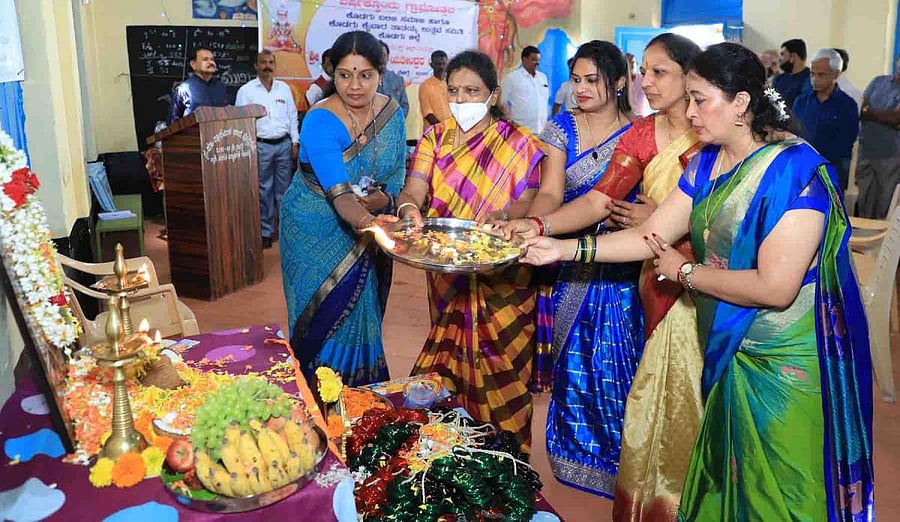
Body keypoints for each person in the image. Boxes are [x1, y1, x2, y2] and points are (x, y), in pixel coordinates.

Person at [521, 42, 875, 522]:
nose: (689, 112)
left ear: (742, 104)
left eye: (700, 99)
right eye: (686, 99)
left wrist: (684, 272)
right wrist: (563, 248)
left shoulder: (796, 171)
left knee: (783, 491)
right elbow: (652, 235)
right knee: (728, 481)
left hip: (788, 360)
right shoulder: (710, 161)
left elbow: (776, 288)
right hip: (728, 344)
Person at [505, 32, 705, 513]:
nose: (647, 82)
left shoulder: (713, 134)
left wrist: (659, 218)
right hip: (639, 266)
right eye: (646, 72)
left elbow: (729, 216)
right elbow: (598, 199)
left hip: (704, 279)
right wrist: (540, 226)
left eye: (658, 72)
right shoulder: (640, 135)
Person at [397, 50, 545, 450]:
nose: (461, 100)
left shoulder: (520, 143)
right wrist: (409, 206)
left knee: (503, 362)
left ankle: (507, 455)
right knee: (449, 352)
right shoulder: (434, 137)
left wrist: (505, 212)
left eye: (472, 91)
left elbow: (530, 200)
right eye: (454, 92)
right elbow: (416, 185)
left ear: (493, 94)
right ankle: (452, 451)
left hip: (504, 269)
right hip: (446, 266)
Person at [526, 40, 640, 498]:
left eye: (592, 79)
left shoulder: (637, 134)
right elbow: (552, 192)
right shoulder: (562, 128)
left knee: (617, 356)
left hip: (619, 262)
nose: (582, 88)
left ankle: (618, 457)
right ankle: (575, 453)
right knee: (573, 354)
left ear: (616, 82)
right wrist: (537, 224)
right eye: (576, 79)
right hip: (567, 253)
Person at [280, 31, 407, 386]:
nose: (354, 85)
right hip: (313, 226)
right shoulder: (320, 120)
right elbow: (339, 196)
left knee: (362, 306)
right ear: (331, 73)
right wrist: (374, 223)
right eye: (344, 75)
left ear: (381, 74)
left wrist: (388, 202)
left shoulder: (391, 114)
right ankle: (319, 398)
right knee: (322, 313)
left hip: (367, 225)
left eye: (365, 75)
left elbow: (396, 175)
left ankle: (360, 398)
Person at [236, 50, 300, 249]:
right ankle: (266, 232)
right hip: (260, 146)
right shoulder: (246, 91)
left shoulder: (284, 89)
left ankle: (284, 231)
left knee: (284, 191)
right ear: (256, 66)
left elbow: (292, 116)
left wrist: (295, 142)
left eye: (270, 62)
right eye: (263, 62)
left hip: (283, 145)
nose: (267, 66)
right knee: (264, 190)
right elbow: (240, 121)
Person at [792, 48, 859, 192]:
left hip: (832, 171)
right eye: (812, 74)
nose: (814, 79)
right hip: (803, 171)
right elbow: (794, 133)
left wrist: (817, 160)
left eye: (821, 75)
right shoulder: (801, 102)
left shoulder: (847, 105)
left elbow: (846, 140)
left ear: (836, 74)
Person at [856, 53, 900, 219]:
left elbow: (896, 118)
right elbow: (860, 108)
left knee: (886, 204)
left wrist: (870, 112)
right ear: (897, 61)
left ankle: (880, 243)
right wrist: (887, 117)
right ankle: (862, 242)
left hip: (891, 156)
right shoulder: (878, 81)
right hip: (867, 149)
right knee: (864, 201)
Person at [167, 47, 227, 124]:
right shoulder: (184, 90)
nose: (211, 62)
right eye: (205, 59)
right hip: (192, 134)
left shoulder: (221, 87)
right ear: (193, 64)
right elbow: (172, 124)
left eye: (212, 59)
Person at [501, 46, 550, 134]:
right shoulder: (512, 78)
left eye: (538, 60)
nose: (537, 63)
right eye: (533, 59)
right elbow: (501, 102)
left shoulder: (543, 77)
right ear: (524, 59)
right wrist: (508, 118)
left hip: (541, 131)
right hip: (520, 131)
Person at [772, 38, 811, 108]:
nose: (779, 59)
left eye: (782, 54)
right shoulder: (778, 79)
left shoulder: (811, 80)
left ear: (793, 56)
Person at [377, 41, 410, 120]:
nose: (381, 58)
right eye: (378, 55)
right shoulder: (366, 78)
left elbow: (405, 106)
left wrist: (395, 121)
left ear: (388, 57)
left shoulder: (398, 80)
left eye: (384, 55)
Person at [418, 50, 451, 128]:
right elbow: (427, 113)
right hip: (433, 132)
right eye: (438, 64)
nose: (441, 67)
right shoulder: (425, 86)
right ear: (431, 65)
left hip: (451, 131)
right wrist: (442, 128)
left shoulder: (451, 84)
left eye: (444, 64)